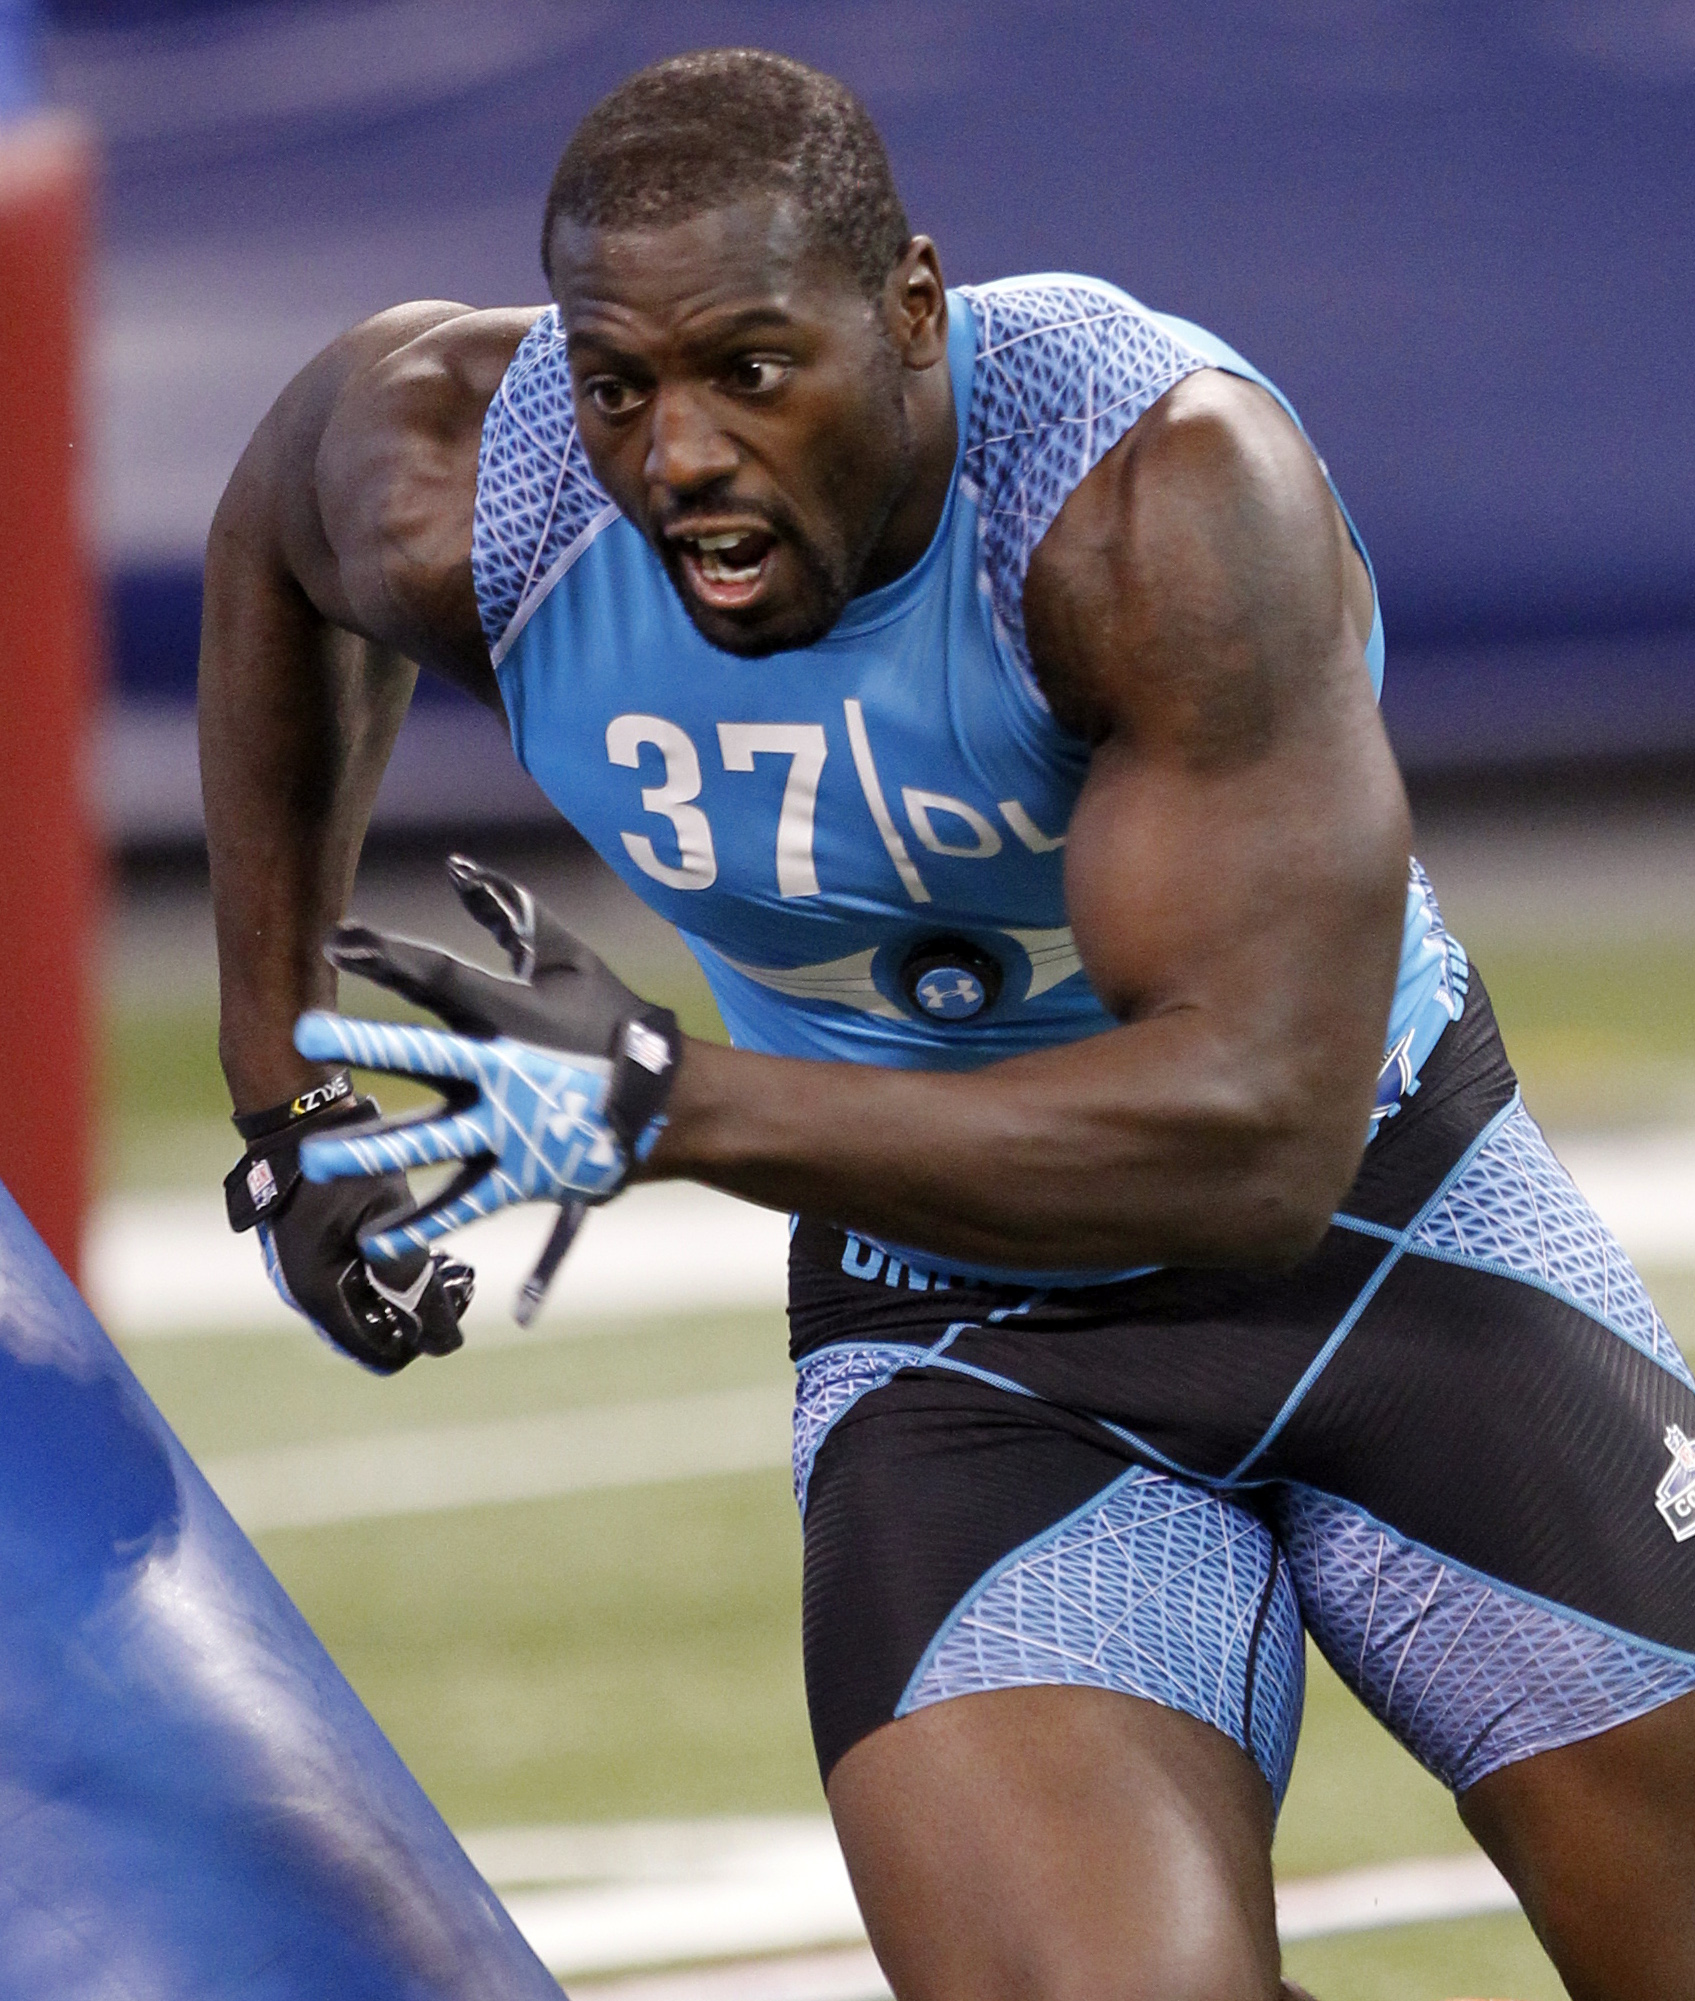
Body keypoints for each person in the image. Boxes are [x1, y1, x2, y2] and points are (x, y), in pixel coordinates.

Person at [200, 48, 1695, 2001]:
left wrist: (667, 1095)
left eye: (752, 368)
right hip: (956, 1324)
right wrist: (282, 1068)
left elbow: (1259, 1135)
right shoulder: (463, 482)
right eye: (619, 382)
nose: (676, 456)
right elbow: (270, 536)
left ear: (911, 307)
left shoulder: (1148, 495)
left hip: (1381, 1248)